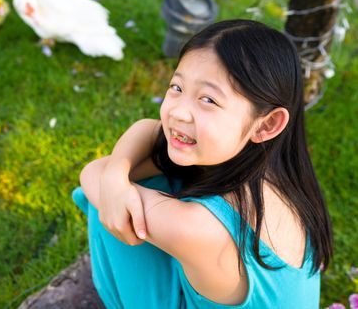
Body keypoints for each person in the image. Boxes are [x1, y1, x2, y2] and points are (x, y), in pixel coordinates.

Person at [72, 19, 333, 308]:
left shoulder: (198, 229)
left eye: (208, 99)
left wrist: (114, 180)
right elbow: (149, 127)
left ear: (267, 124)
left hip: (198, 241)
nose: (180, 113)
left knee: (115, 197)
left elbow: (93, 172)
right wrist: (118, 175)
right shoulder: (275, 171)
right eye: (177, 87)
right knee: (135, 177)